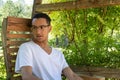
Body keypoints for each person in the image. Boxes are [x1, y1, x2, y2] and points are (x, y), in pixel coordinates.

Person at [15, 12, 83, 80]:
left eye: (42, 27)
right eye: (34, 27)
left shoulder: (58, 54)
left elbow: (72, 76)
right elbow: (27, 77)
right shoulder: (26, 48)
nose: (38, 32)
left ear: (49, 29)